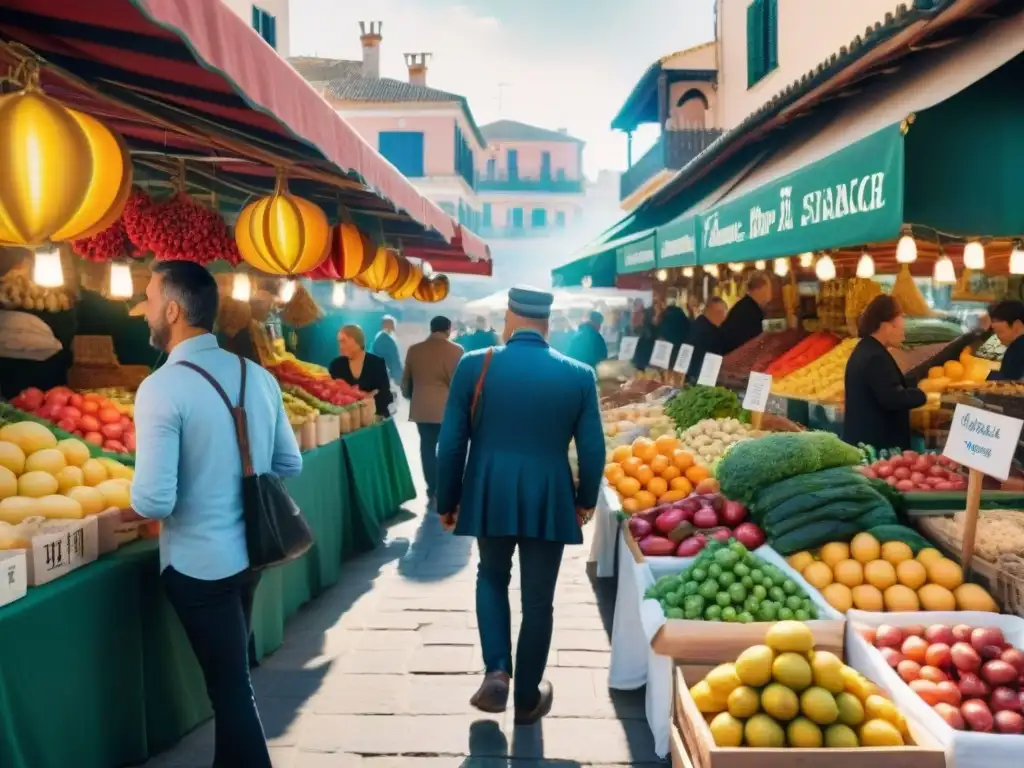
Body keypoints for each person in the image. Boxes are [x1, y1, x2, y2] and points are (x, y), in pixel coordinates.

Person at [123, 261, 303, 768]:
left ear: (174, 311)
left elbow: (154, 502)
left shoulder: (162, 386)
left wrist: (124, 510)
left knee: (231, 693)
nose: (144, 312)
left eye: (149, 299)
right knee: (232, 687)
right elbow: (289, 462)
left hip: (197, 566)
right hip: (251, 555)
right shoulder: (258, 375)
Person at [435, 286, 604, 725]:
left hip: (489, 488)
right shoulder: (579, 374)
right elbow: (593, 450)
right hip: (549, 493)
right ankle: (528, 696)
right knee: (539, 599)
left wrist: (447, 500)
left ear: (510, 318)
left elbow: (450, 444)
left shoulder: (475, 365)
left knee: (491, 575)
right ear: (548, 323)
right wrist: (584, 501)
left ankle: (496, 671)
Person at [843, 295, 927, 451]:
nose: (904, 328)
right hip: (875, 450)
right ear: (886, 324)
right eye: (901, 318)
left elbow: (884, 385)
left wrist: (915, 380)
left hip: (866, 444)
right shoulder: (875, 356)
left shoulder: (867, 348)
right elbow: (893, 399)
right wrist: (924, 394)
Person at [402, 316, 463, 504]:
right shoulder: (456, 351)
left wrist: (414, 396)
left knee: (427, 447)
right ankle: (446, 486)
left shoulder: (414, 350)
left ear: (431, 328)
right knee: (448, 448)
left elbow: (406, 383)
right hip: (447, 409)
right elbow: (460, 384)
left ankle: (432, 486)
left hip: (422, 409)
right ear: (448, 329)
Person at [330, 325, 393, 417]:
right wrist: (366, 396)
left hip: (377, 417)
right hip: (348, 419)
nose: (340, 346)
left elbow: (385, 394)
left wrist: (365, 400)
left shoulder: (377, 363)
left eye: (343, 341)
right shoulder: (336, 365)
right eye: (339, 342)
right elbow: (333, 394)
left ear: (356, 341)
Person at [720, 271, 773, 353]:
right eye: (768, 290)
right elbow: (753, 345)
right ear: (760, 289)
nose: (770, 296)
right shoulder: (750, 311)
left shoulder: (746, 305)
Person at [684, 297, 728, 380]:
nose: (725, 318)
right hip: (701, 378)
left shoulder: (698, 323)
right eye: (724, 313)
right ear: (718, 313)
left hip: (691, 376)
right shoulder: (709, 332)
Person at [985, 300, 1024, 380]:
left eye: (1000, 332)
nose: (998, 338)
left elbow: (1009, 383)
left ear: (1017, 325)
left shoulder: (1018, 347)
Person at [371, 315, 403, 388]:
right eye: (393, 325)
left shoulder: (378, 337)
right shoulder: (387, 340)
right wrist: (400, 379)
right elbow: (394, 361)